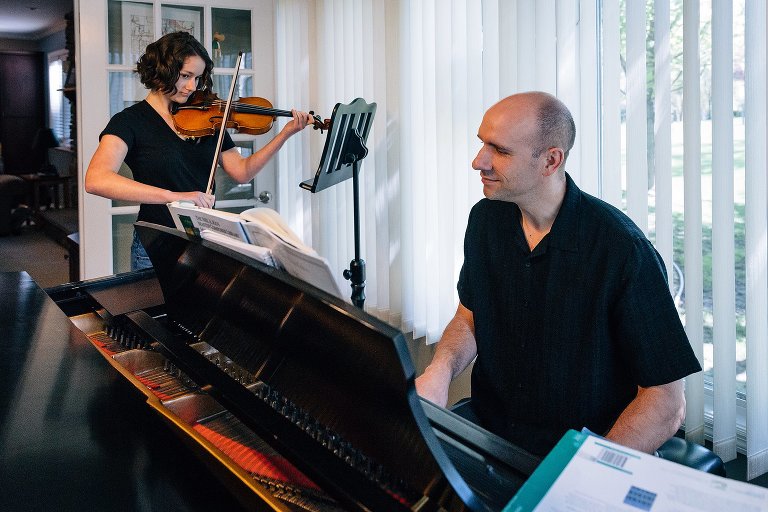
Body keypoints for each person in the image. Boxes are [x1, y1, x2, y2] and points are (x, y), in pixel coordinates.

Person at [415, 91, 701, 457]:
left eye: (499, 151)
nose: (478, 161)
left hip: (588, 449)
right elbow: (470, 315)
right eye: (481, 143)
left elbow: (666, 402)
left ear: (551, 160)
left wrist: (590, 469)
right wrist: (440, 370)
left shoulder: (622, 251)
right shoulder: (486, 218)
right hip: (495, 433)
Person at [85, 31, 312, 270]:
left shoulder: (209, 117)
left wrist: (285, 134)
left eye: (198, 78)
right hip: (155, 247)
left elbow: (242, 171)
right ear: (163, 69)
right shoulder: (130, 121)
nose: (192, 87)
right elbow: (96, 180)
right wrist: (176, 197)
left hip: (204, 243)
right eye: (185, 76)